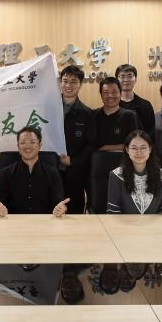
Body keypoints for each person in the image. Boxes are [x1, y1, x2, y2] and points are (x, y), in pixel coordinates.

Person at [0, 127, 70, 216]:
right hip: (14, 222)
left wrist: (62, 209)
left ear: (40, 145)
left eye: (32, 142)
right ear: (18, 146)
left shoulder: (52, 173)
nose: (27, 146)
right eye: (22, 143)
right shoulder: (5, 173)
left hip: (45, 222)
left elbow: (60, 203)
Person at [58, 65, 97, 214]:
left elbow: (91, 144)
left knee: (74, 212)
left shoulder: (87, 113)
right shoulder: (49, 108)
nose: (68, 85)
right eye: (65, 81)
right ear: (60, 82)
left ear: (80, 84)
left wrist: (73, 161)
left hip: (75, 172)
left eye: (73, 82)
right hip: (50, 169)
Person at [106, 130, 162, 214]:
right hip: (124, 222)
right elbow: (113, 211)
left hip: (155, 222)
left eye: (143, 148)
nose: (139, 152)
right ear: (127, 150)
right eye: (134, 148)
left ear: (150, 149)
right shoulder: (116, 175)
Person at [93, 77, 140, 151]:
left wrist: (106, 147)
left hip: (123, 158)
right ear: (101, 94)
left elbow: (135, 143)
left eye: (114, 92)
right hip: (95, 158)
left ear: (120, 94)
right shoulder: (93, 115)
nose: (110, 95)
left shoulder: (130, 115)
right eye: (106, 92)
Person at [115, 64, 154, 131]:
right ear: (117, 80)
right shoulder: (112, 104)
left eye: (130, 76)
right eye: (122, 76)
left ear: (135, 79)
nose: (126, 80)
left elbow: (150, 132)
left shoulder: (145, 105)